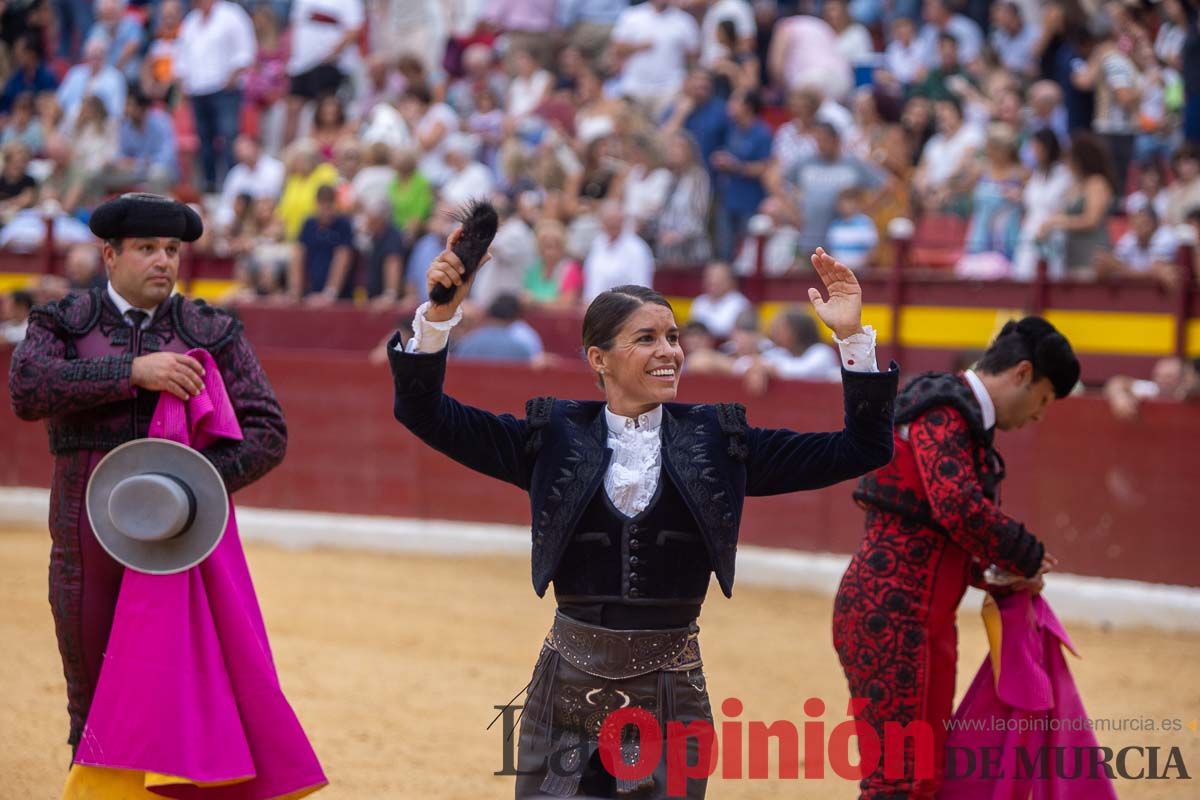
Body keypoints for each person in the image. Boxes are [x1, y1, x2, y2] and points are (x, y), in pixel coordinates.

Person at [387, 234, 898, 798]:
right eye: (647, 338)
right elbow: (424, 412)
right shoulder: (550, 437)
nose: (669, 351)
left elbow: (861, 449)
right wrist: (439, 314)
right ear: (598, 359)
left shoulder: (721, 441)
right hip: (566, 691)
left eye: (673, 337)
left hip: (670, 690)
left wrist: (851, 337)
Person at [7, 192, 287, 755]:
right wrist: (132, 371)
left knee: (176, 695)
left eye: (171, 250)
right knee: (88, 699)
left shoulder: (211, 328)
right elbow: (27, 389)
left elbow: (268, 431)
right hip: (85, 542)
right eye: (146, 249)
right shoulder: (62, 319)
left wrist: (188, 489)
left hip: (179, 545)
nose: (163, 260)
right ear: (109, 256)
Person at [835, 316, 1080, 799]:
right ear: (1023, 374)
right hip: (892, 615)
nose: (1038, 415)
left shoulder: (958, 416)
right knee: (898, 780)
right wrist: (1025, 554)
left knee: (922, 778)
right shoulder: (943, 409)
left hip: (922, 619)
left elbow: (943, 530)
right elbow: (957, 504)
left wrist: (1001, 576)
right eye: (1044, 400)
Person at [175, 0, 257, 192]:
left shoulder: (232, 15)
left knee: (228, 136)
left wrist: (232, 77)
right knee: (204, 139)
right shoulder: (191, 21)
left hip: (225, 90)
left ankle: (232, 182)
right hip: (197, 90)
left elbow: (246, 50)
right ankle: (209, 184)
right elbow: (182, 56)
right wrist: (183, 82)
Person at [290, 184, 355, 303]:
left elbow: (343, 257)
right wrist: (295, 291)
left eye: (329, 207)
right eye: (322, 207)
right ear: (316, 204)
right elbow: (298, 255)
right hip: (310, 292)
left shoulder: (343, 225)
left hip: (339, 297)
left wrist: (330, 293)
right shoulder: (308, 224)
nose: (326, 213)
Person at [688, 261, 750, 338]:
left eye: (718, 278)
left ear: (730, 281)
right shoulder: (699, 302)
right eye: (709, 278)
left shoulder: (740, 305)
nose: (712, 281)